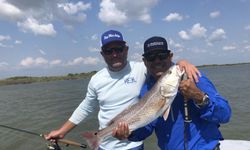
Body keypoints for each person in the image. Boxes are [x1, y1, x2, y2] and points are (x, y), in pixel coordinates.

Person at [45, 30, 200, 150]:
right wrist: (62, 131)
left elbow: (165, 68)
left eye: (118, 49)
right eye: (108, 51)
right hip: (105, 144)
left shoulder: (142, 68)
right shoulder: (96, 79)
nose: (114, 54)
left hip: (134, 144)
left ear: (126, 49)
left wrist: (183, 62)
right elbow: (86, 107)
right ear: (102, 54)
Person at [112, 36, 231, 150]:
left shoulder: (192, 76)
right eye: (151, 57)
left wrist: (199, 97)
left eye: (162, 55)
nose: (157, 61)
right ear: (144, 61)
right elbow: (147, 127)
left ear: (170, 56)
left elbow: (225, 115)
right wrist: (129, 133)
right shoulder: (146, 89)